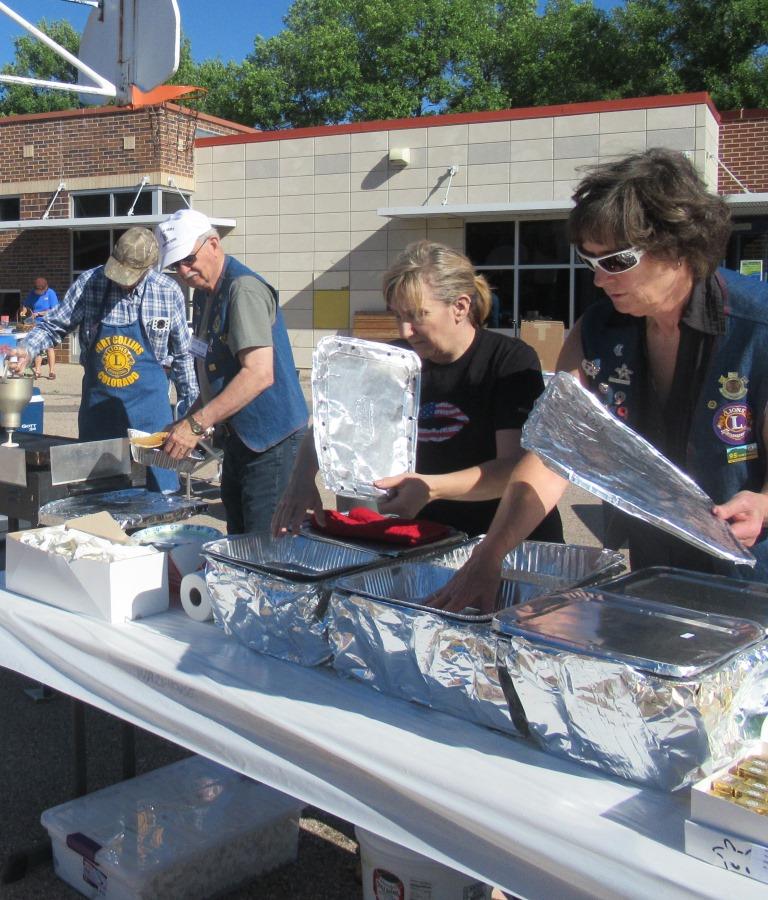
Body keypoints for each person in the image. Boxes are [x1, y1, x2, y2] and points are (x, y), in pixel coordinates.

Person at [432, 147, 768, 613]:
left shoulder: (757, 327)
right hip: (656, 572)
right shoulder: (596, 332)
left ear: (677, 245)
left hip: (753, 579)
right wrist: (490, 555)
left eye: (616, 261)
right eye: (590, 261)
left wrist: (764, 502)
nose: (598, 279)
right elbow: (552, 456)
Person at [271, 240, 564, 544]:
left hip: (508, 539)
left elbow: (513, 468)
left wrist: (430, 488)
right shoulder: (392, 362)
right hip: (433, 538)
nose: (405, 331)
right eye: (398, 316)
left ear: (460, 307)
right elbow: (330, 423)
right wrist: (302, 479)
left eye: (417, 315)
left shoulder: (508, 361)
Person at [155, 209, 308, 535]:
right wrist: (186, 421)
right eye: (175, 265)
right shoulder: (205, 293)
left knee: (262, 546)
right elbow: (217, 372)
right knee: (238, 541)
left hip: (270, 441)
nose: (183, 271)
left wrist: (196, 424)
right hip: (240, 440)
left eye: (188, 259)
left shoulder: (243, 290)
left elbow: (258, 374)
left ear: (213, 244)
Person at [12, 228, 197, 493]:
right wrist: (27, 349)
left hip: (151, 418)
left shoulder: (167, 292)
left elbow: (183, 357)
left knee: (160, 495)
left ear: (148, 268)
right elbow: (54, 326)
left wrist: (192, 416)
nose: (121, 281)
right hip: (99, 415)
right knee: (98, 499)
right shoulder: (90, 283)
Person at [21, 276, 58, 379]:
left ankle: (52, 372)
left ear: (45, 289)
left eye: (39, 291)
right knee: (37, 347)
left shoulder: (50, 293)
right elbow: (26, 306)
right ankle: (37, 371)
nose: (37, 293)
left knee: (49, 347)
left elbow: (54, 310)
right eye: (36, 291)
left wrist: (38, 313)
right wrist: (24, 311)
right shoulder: (32, 294)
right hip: (36, 324)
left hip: (48, 322)